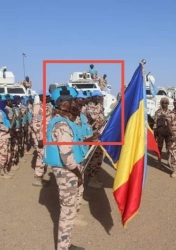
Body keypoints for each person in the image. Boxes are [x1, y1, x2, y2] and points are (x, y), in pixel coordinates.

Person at [43, 86, 98, 250]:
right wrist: (78, 175)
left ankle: (65, 243)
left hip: (73, 170)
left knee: (72, 209)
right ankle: (63, 247)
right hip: (68, 172)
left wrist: (92, 138)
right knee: (67, 212)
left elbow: (77, 142)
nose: (77, 103)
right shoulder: (61, 125)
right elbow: (67, 157)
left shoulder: (69, 122)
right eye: (73, 101)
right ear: (64, 103)